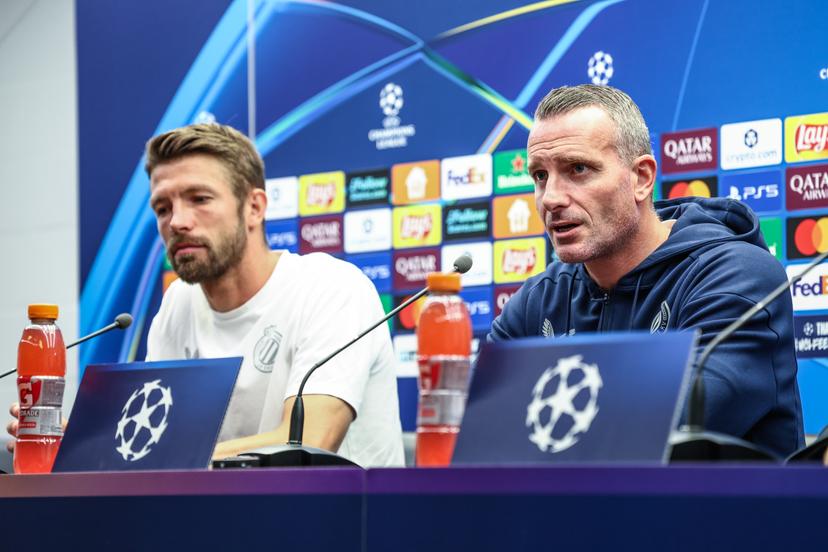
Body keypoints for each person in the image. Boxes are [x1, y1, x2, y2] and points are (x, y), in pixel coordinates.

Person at [8, 123, 404, 467]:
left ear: (254, 207)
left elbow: (307, 445)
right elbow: (159, 440)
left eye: (199, 199)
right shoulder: (178, 303)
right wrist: (82, 449)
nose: (177, 222)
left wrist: (129, 456)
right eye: (162, 208)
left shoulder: (332, 288)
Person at [489, 84, 803, 459]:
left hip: (720, 516)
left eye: (578, 169)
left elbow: (667, 433)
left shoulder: (737, 277)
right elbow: (479, 431)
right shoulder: (539, 300)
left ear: (641, 178)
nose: (552, 198)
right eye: (540, 176)